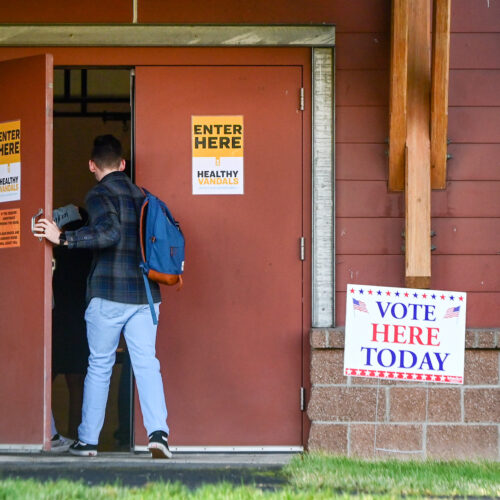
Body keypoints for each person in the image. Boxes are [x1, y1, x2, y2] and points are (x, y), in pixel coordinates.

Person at [34, 135, 171, 458]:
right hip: (146, 295)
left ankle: (88, 441)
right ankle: (159, 434)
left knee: (99, 365)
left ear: (92, 165)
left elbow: (109, 232)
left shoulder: (98, 194)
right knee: (147, 364)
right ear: (123, 164)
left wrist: (63, 238)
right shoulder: (143, 195)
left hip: (108, 295)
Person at [50, 205, 91, 449]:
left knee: (44, 378)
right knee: (77, 384)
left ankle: (45, 432)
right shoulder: (88, 253)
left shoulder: (56, 251)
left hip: (56, 320)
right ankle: (76, 435)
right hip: (80, 321)